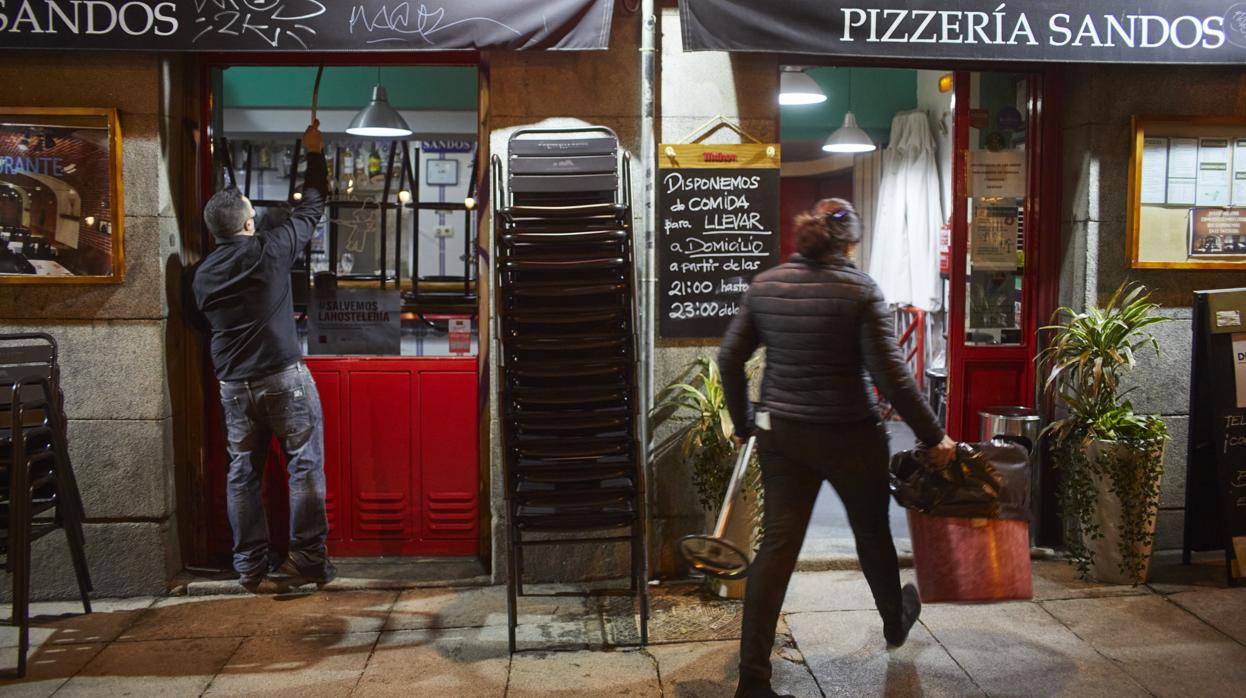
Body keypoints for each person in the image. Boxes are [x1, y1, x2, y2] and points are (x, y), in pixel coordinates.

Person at [718, 198, 957, 698]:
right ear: (849, 243)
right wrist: (935, 437)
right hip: (850, 433)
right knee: (871, 534)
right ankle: (895, 622)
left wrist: (744, 424)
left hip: (781, 436)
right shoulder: (860, 289)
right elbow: (893, 378)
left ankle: (753, 681)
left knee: (778, 548)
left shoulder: (767, 285)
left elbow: (729, 357)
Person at [192, 120, 336, 593]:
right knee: (304, 465)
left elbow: (199, 322)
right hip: (283, 377)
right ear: (249, 224)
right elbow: (313, 206)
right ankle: (308, 558)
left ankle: (250, 566)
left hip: (234, 385)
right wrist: (313, 153)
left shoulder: (201, 276)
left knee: (242, 472)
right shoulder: (269, 251)